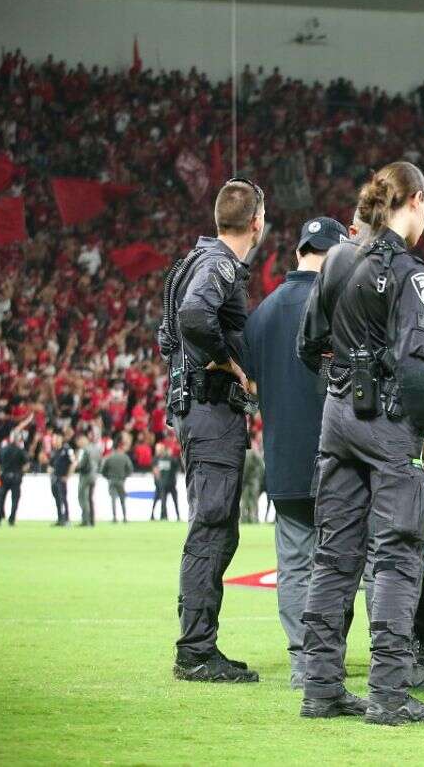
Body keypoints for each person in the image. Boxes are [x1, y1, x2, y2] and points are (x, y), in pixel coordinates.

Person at [296, 161, 424, 725]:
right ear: (414, 201)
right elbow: (421, 370)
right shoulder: (410, 274)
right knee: (397, 553)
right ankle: (388, 694)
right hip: (387, 424)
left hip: (338, 417)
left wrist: (347, 382)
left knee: (333, 556)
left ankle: (322, 688)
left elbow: (308, 345)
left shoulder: (337, 257)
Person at [156, 177, 266, 684]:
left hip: (194, 409)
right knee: (213, 525)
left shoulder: (190, 262)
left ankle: (199, 642)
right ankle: (196, 649)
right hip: (211, 412)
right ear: (257, 222)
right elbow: (195, 316)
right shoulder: (220, 265)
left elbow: (168, 335)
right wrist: (227, 363)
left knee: (216, 525)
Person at [244, 214, 348, 688]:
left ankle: (304, 661)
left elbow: (249, 381)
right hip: (340, 456)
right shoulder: (343, 303)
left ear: (299, 254)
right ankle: (330, 655)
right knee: (343, 562)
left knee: (294, 565)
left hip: (283, 458)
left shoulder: (261, 313)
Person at [0, 433, 27, 526]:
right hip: (16, 477)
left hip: (4, 476)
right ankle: (11, 519)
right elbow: (26, 465)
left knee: (1, 498)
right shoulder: (20, 451)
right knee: (15, 499)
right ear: (18, 440)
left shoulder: (3, 449)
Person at [101, 435, 134, 523]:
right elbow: (130, 469)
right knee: (122, 499)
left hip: (111, 480)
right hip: (121, 480)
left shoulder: (109, 457)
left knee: (113, 499)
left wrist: (107, 477)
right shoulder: (124, 457)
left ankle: (114, 517)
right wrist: (124, 476)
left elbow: (102, 470)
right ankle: (124, 517)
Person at [151, 441, 182, 521]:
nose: (157, 451)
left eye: (159, 449)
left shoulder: (170, 459)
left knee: (173, 500)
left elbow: (177, 466)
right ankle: (158, 515)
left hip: (170, 483)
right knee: (160, 500)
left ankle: (177, 516)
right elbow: (155, 472)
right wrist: (157, 482)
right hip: (161, 484)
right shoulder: (156, 459)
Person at [76, 433, 102, 526]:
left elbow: (83, 464)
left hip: (86, 476)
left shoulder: (85, 450)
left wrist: (76, 467)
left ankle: (85, 520)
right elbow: (100, 462)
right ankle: (92, 520)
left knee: (83, 498)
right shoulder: (96, 449)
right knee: (90, 499)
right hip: (94, 476)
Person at [49, 438, 74, 526]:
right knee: (58, 499)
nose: (54, 441)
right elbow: (51, 465)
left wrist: (68, 476)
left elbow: (72, 463)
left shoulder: (67, 450)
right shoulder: (55, 451)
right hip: (54, 479)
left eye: (56, 439)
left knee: (63, 498)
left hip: (61, 478)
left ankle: (66, 519)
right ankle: (60, 518)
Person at [241, 440, 264, 524]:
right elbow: (261, 466)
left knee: (247, 500)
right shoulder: (253, 452)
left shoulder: (245, 452)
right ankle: (252, 518)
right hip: (252, 480)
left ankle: (246, 518)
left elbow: (261, 466)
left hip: (248, 480)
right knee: (250, 500)